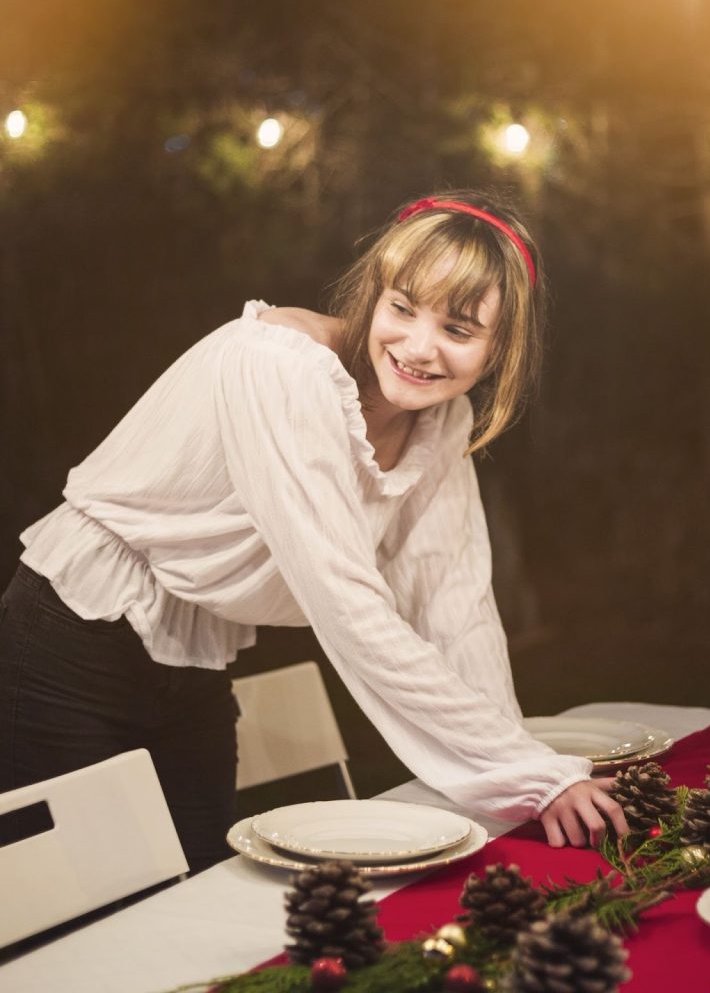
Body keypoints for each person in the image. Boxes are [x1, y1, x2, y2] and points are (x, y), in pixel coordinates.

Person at [0, 191, 628, 872]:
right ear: (373, 294)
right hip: (72, 630)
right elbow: (347, 603)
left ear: (500, 347)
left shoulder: (440, 422)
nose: (419, 348)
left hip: (196, 648)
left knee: (202, 886)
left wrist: (523, 775)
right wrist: (525, 771)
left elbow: (456, 607)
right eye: (402, 308)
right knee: (86, 903)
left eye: (459, 329)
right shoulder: (282, 367)